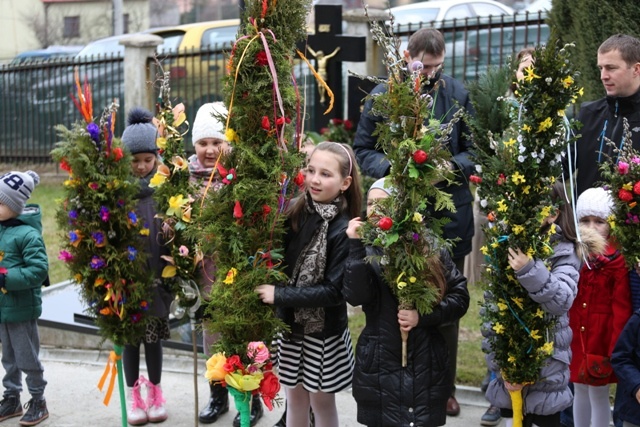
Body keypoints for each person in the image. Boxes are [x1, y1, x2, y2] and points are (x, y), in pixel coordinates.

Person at [353, 27, 475, 416]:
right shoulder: (381, 97)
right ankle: (402, 385)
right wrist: (396, 168)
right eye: (425, 68)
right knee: (398, 303)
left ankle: (444, 388)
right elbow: (362, 149)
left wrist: (448, 167)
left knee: (443, 301)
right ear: (408, 57)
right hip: (397, 217)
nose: (431, 76)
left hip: (447, 215)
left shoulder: (457, 94)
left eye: (438, 68)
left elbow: (474, 151)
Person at [342, 177, 469, 426]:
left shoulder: (429, 246)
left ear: (401, 207)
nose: (374, 211)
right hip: (379, 368)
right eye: (370, 203)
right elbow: (356, 296)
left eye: (384, 204)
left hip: (425, 367)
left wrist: (423, 317)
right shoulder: (368, 248)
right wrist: (355, 247)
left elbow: (460, 297)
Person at [254, 141, 362, 427]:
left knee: (321, 401)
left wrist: (279, 295)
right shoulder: (295, 211)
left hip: (323, 334)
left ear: (345, 182)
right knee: (295, 400)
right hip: (290, 328)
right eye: (311, 170)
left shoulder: (343, 228)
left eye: (326, 174)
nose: (315, 179)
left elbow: (333, 292)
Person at [188, 102, 266, 426]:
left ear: (229, 142)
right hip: (204, 274)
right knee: (212, 337)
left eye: (216, 142)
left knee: (245, 335)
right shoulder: (186, 179)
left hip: (236, 270)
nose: (209, 150)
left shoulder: (239, 177)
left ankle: (250, 399)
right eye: (203, 143)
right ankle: (218, 395)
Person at [483, 181, 583, 427]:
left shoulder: (564, 251)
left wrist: (529, 269)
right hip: (509, 372)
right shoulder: (505, 245)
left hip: (546, 370)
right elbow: (492, 311)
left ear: (553, 214)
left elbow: (561, 300)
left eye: (533, 205)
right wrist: (502, 367)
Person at [121, 108, 173, 425]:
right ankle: (133, 396)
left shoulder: (166, 190)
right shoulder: (119, 194)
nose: (142, 166)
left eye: (147, 159)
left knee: (153, 340)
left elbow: (179, 227)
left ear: (156, 157)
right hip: (127, 283)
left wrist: (172, 231)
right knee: (130, 341)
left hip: (156, 280)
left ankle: (155, 392)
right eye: (135, 160)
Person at [569, 187, 633, 427]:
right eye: (585, 221)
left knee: (598, 392)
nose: (592, 227)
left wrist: (616, 348)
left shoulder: (616, 261)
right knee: (578, 389)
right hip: (577, 334)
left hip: (601, 337)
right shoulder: (573, 255)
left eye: (599, 221)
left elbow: (621, 307)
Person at [0, 170, 50, 426]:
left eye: (1, 202)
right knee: (8, 357)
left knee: (27, 356)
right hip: (3, 309)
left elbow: (39, 270)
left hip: (21, 309)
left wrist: (6, 278)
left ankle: (38, 400)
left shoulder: (28, 235)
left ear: (15, 206)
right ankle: (11, 397)